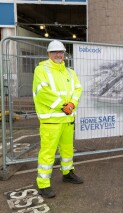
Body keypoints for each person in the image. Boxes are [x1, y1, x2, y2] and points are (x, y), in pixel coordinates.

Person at [32, 40, 83, 198]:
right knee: (48, 153)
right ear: (49, 54)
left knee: (67, 150)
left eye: (60, 52)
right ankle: (43, 184)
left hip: (67, 120)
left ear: (64, 54)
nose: (58, 55)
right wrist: (63, 106)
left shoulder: (69, 72)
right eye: (55, 52)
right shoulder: (41, 70)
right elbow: (43, 93)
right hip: (51, 122)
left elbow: (78, 89)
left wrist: (72, 104)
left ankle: (67, 173)